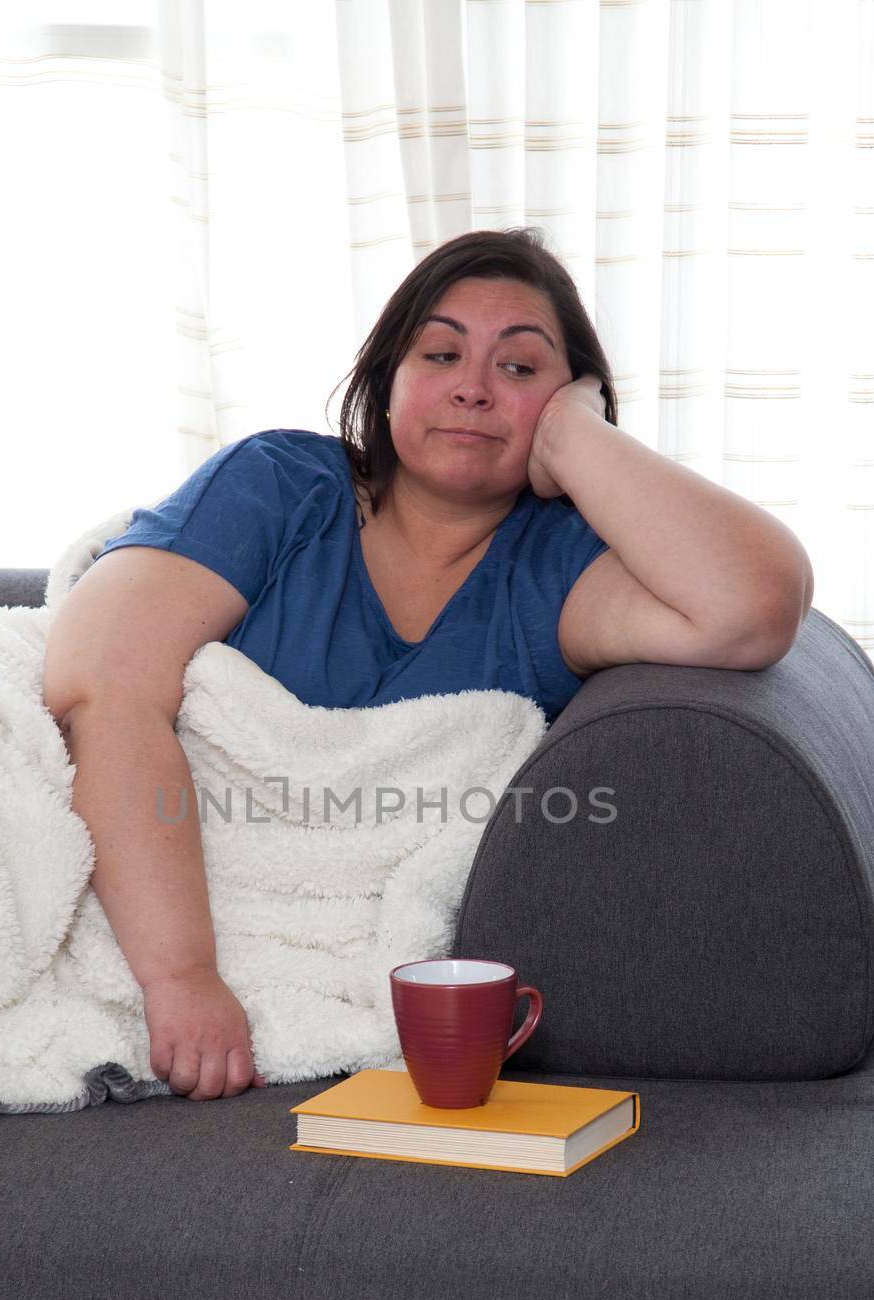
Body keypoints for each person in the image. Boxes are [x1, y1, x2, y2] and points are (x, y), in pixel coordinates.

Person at [40, 227, 619, 1105]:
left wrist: (579, 439)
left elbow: (753, 606)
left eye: (520, 369)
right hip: (155, 889)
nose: (471, 386)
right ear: (386, 383)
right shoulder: (280, 486)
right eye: (439, 352)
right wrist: (182, 976)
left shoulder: (558, 568)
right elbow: (96, 682)